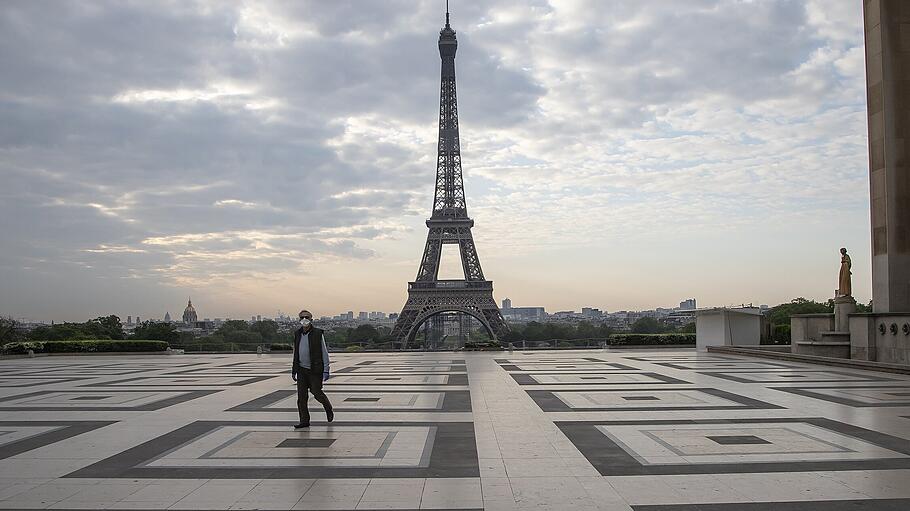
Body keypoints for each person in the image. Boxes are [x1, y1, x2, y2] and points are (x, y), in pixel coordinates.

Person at [291, 310, 333, 428]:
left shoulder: (318, 334)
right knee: (301, 397)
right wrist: (294, 369)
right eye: (302, 317)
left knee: (316, 392)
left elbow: (324, 352)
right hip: (301, 370)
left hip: (314, 369)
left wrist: (326, 369)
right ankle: (304, 421)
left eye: (307, 317)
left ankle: (327, 407)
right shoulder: (297, 334)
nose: (304, 319)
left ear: (311, 319)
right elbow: (296, 352)